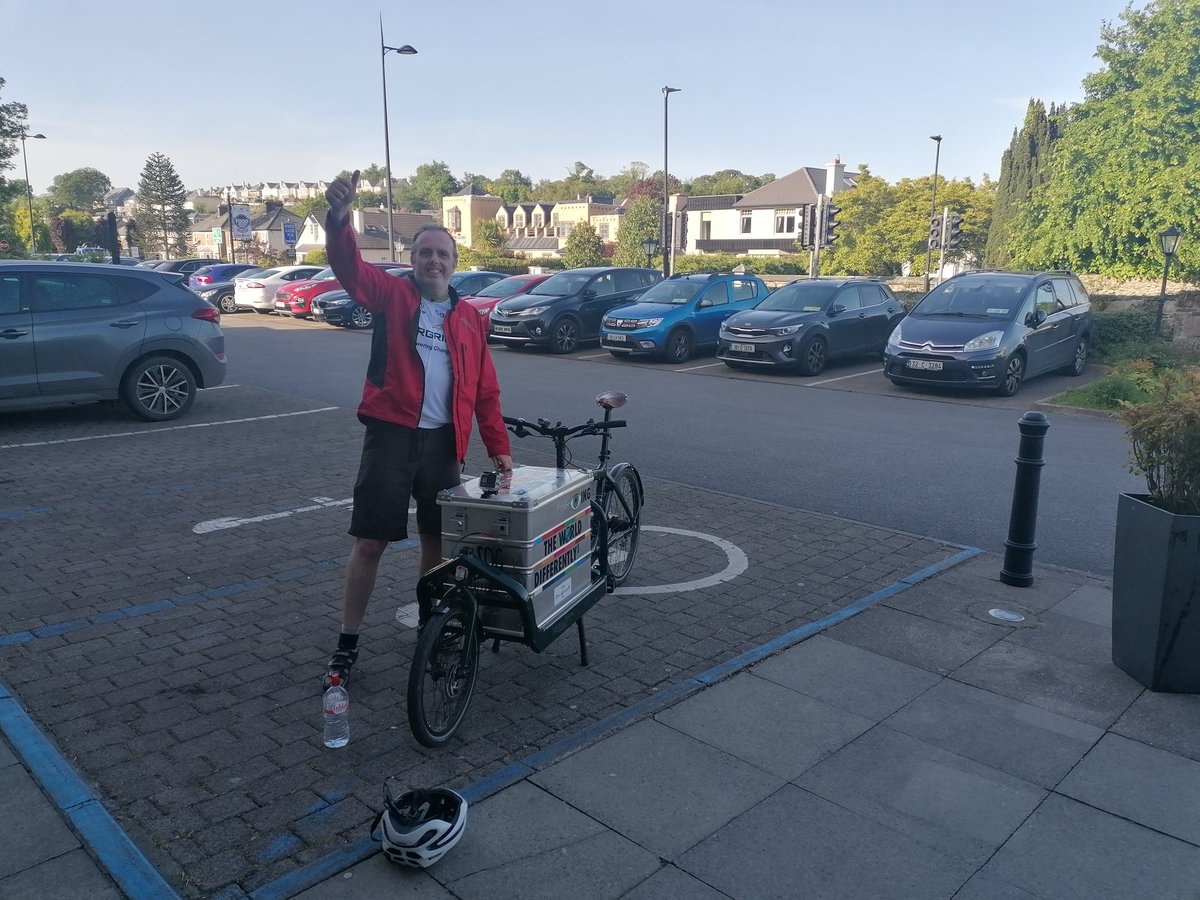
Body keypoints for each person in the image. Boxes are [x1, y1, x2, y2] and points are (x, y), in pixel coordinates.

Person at [322, 170, 512, 689]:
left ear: (454, 264)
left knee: (436, 541)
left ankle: (432, 628)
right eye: (425, 252)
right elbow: (348, 267)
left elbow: (486, 390)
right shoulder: (392, 296)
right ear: (413, 261)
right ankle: (347, 644)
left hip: (442, 445)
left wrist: (499, 449)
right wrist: (338, 218)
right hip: (390, 437)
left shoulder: (471, 319)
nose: (433, 261)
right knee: (370, 543)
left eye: (442, 255)